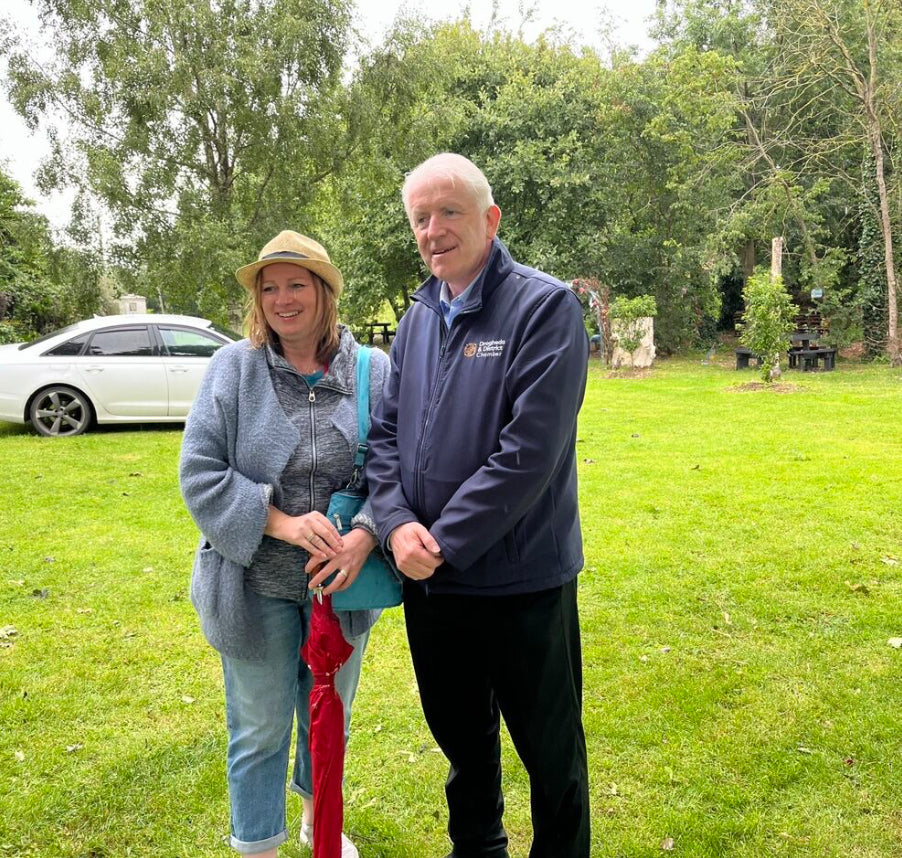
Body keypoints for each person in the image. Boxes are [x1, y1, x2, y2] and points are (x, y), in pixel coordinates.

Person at [367, 153, 591, 858]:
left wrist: (440, 542)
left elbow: (529, 453)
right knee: (463, 748)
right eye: (420, 219)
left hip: (522, 583)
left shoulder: (543, 307)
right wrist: (397, 526)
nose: (433, 231)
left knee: (551, 760)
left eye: (449, 212)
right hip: (435, 589)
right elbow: (383, 436)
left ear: (490, 219)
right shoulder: (416, 319)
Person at [179, 230, 389, 858]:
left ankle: (316, 822)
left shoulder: (372, 370)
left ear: (324, 292)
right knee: (259, 729)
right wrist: (282, 523)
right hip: (253, 587)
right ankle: (258, 847)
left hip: (343, 589)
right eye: (269, 288)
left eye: (297, 284)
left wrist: (365, 534)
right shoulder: (233, 370)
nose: (282, 299)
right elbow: (199, 473)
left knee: (328, 718)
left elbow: (402, 468)